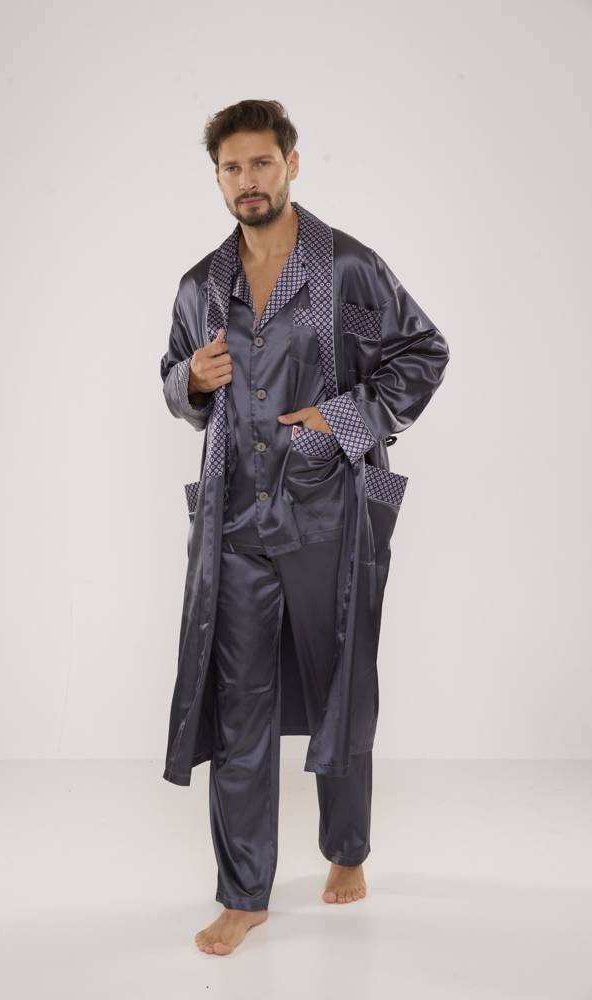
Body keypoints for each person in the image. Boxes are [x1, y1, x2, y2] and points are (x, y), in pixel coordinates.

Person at [159, 99, 450, 956]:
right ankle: (243, 891)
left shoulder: (346, 268)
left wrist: (340, 418)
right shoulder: (200, 286)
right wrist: (192, 380)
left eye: (261, 163)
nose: (247, 181)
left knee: (338, 682)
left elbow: (421, 352)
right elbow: (174, 383)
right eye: (231, 168)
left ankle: (346, 847)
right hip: (234, 523)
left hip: (329, 513)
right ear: (217, 178)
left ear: (290, 164)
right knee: (238, 701)